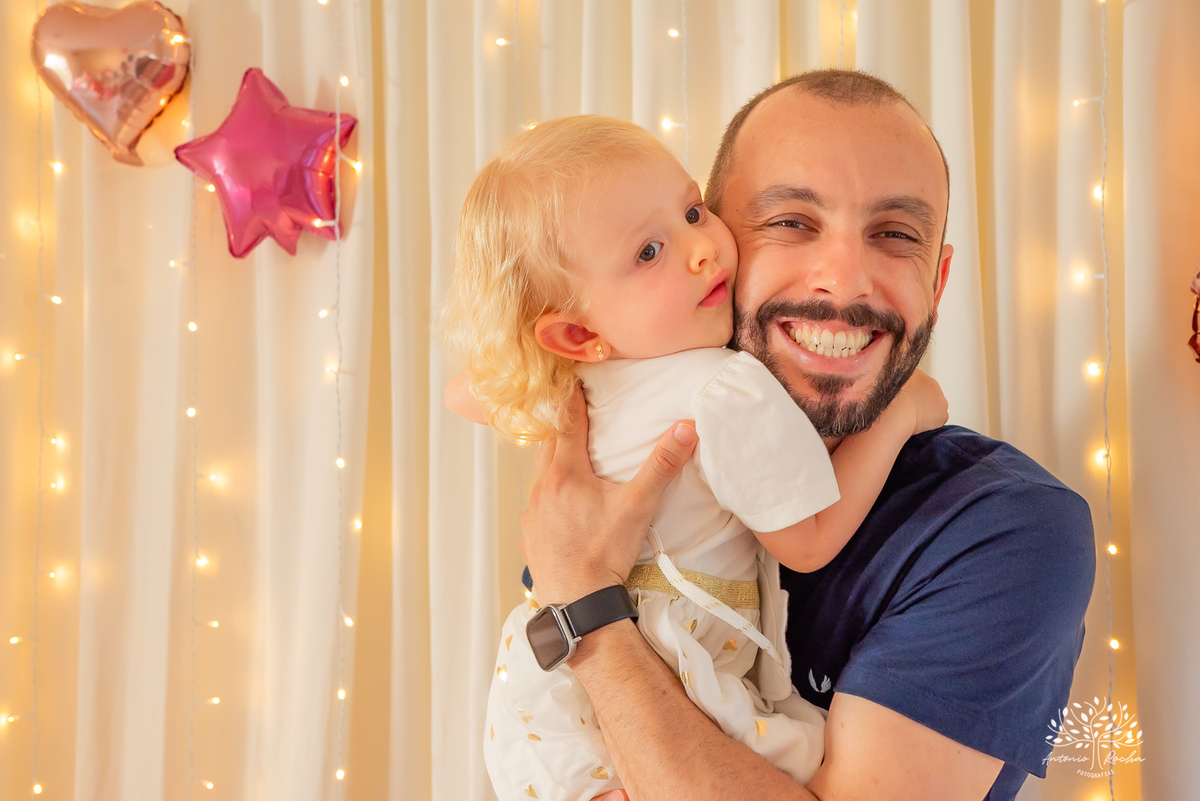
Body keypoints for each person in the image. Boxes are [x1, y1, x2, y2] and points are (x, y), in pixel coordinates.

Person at [520, 70, 1096, 801]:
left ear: (938, 284)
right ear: (718, 244)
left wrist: (585, 605)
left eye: (895, 235)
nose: (845, 279)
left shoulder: (1002, 529)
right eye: (791, 222)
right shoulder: (628, 451)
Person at [440, 114, 948, 800]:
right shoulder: (725, 388)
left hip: (539, 695)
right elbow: (809, 541)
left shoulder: (577, 382)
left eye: (690, 212)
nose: (701, 250)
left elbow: (463, 392)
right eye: (649, 251)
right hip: (673, 678)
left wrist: (555, 355)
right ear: (575, 329)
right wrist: (900, 414)